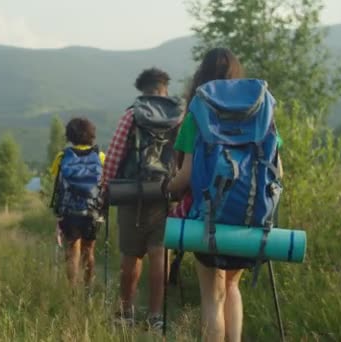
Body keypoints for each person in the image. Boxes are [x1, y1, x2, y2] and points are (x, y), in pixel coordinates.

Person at [167, 47, 283, 342]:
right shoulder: (261, 110)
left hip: (208, 218)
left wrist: (167, 189)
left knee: (212, 296)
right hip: (250, 216)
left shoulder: (197, 110)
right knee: (232, 288)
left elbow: (186, 176)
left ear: (202, 75)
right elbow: (278, 172)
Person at [102, 68, 183, 329]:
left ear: (142, 88)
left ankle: (126, 314)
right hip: (164, 194)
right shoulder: (179, 116)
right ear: (165, 88)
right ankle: (156, 317)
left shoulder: (131, 115)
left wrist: (105, 188)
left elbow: (114, 155)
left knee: (130, 256)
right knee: (159, 256)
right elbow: (183, 157)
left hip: (131, 194)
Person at [50, 117, 105, 288]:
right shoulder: (100, 156)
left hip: (70, 213)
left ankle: (72, 292)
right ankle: (88, 289)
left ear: (69, 136)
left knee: (72, 252)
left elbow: (57, 182)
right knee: (89, 251)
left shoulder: (62, 156)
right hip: (92, 212)